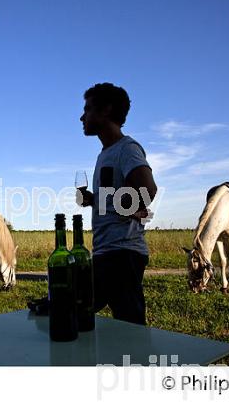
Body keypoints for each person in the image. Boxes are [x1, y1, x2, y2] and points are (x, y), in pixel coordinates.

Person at [77, 83, 157, 325]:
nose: (82, 116)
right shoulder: (105, 153)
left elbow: (147, 191)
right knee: (123, 321)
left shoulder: (127, 149)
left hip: (123, 253)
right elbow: (118, 200)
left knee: (126, 323)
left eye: (88, 109)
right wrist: (94, 200)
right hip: (108, 252)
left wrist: (120, 206)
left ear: (105, 111)